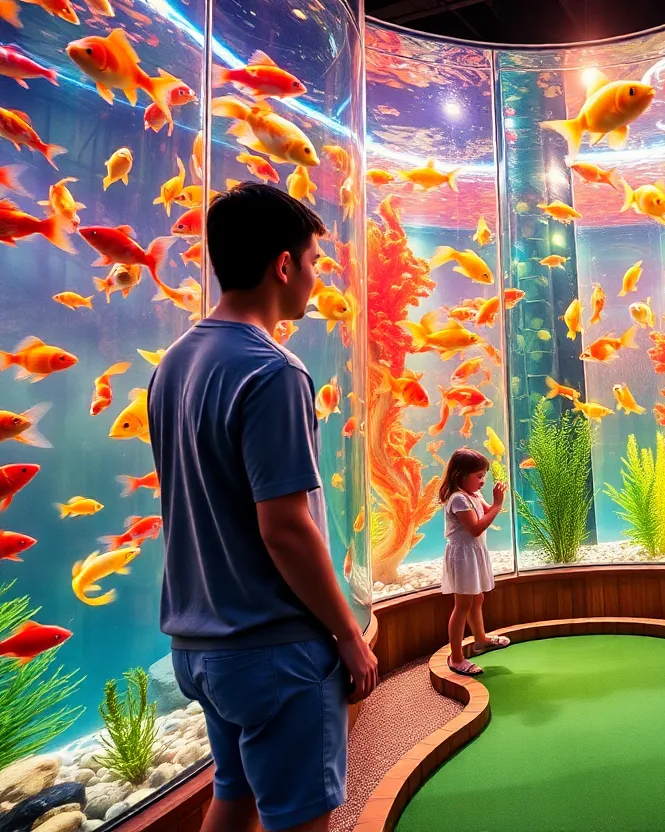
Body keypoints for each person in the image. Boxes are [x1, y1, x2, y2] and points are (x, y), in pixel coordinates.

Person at [148, 182, 378, 832]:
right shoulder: (273, 371)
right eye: (312, 263)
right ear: (283, 265)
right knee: (299, 817)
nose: (313, 278)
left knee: (236, 792)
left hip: (201, 644)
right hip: (272, 647)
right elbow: (285, 527)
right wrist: (346, 634)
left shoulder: (172, 365)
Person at [439, 448, 510, 676]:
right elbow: (476, 528)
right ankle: (456, 658)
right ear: (461, 475)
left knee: (476, 598)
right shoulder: (458, 498)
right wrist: (497, 506)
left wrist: (496, 502)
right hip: (463, 557)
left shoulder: (473, 495)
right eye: (478, 476)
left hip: (474, 553)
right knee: (462, 606)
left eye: (484, 476)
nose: (482, 481)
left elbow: (486, 513)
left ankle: (480, 639)